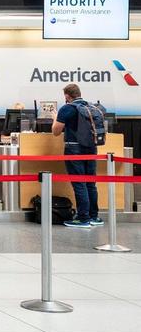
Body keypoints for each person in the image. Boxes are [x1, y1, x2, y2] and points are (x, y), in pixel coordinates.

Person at [52, 84, 103, 228]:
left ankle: (83, 218)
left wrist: (55, 118)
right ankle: (94, 216)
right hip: (92, 148)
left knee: (79, 183)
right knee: (90, 183)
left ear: (67, 96)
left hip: (74, 149)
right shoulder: (91, 107)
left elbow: (55, 132)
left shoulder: (67, 108)